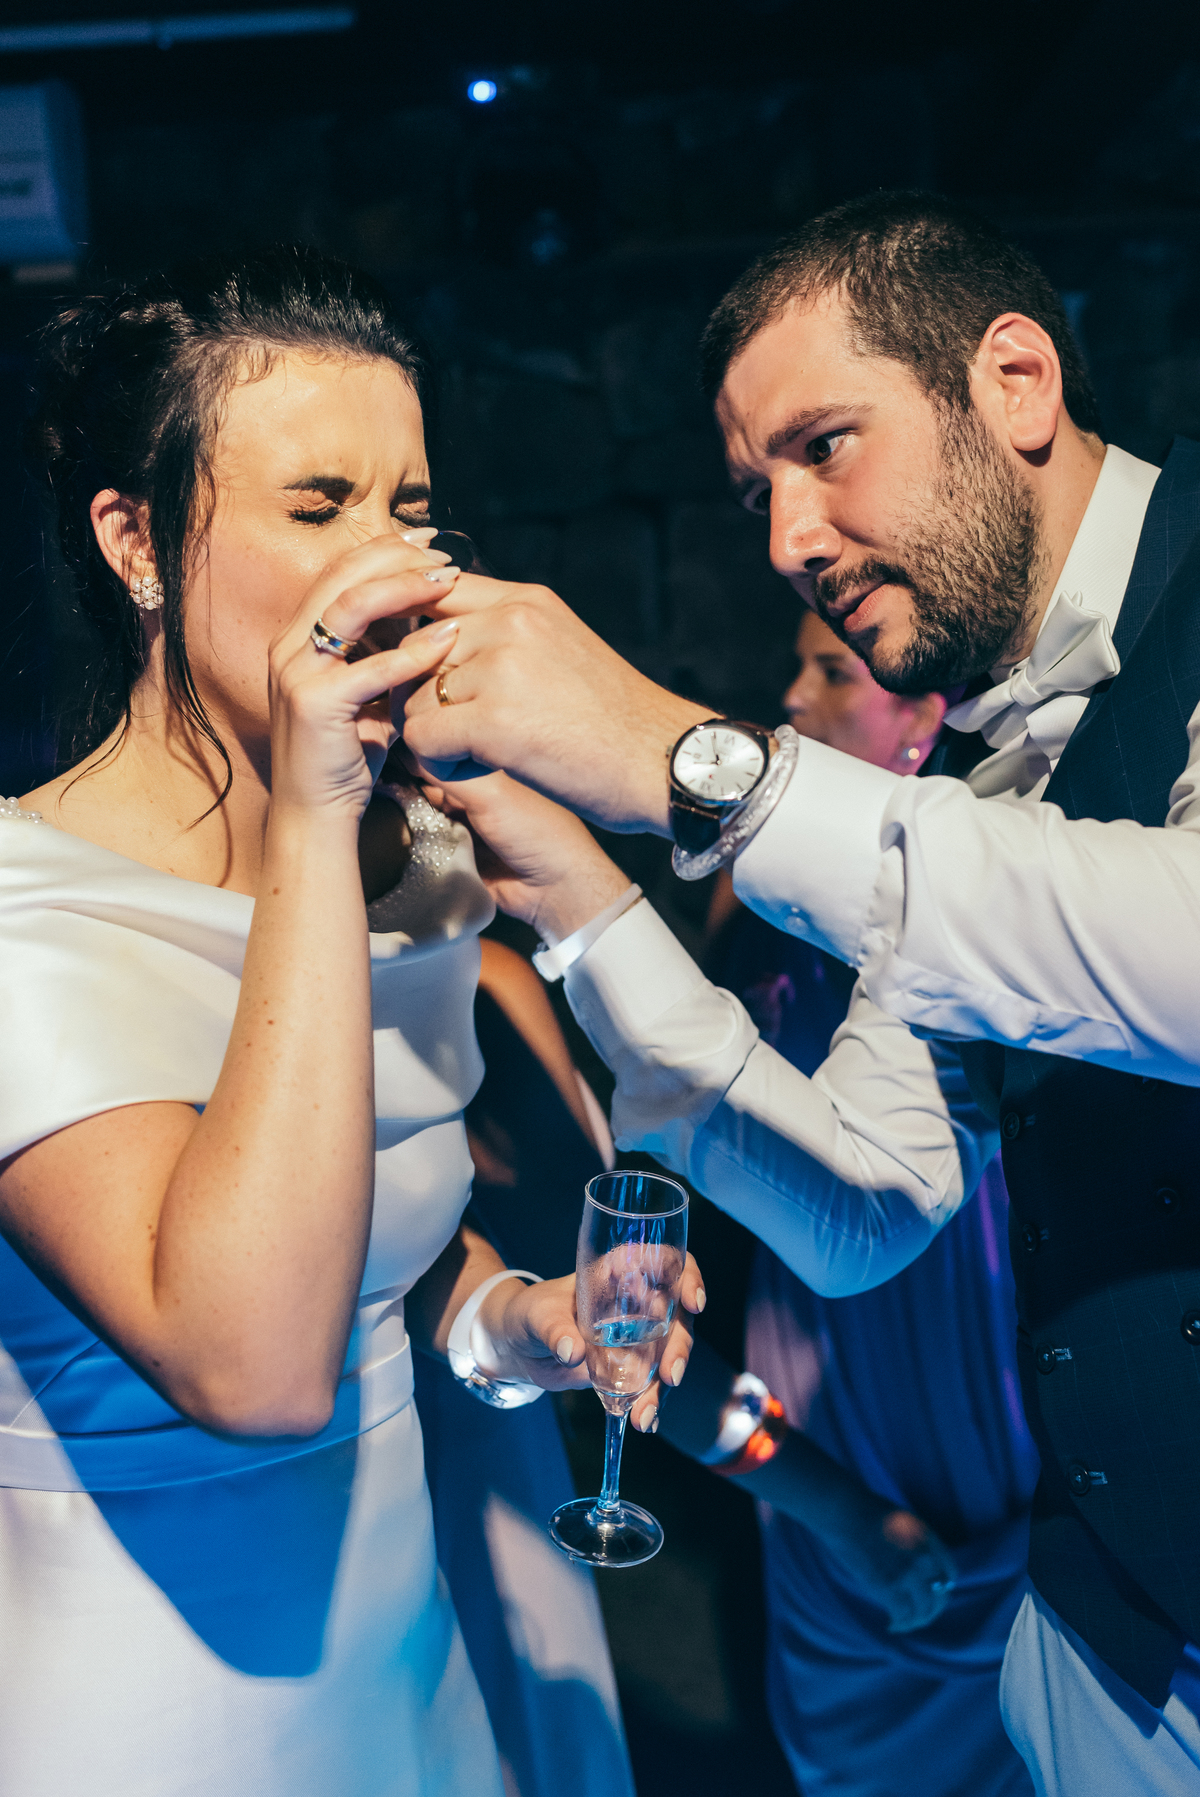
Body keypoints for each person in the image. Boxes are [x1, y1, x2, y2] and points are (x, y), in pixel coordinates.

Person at [397, 193, 1200, 1793]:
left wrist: (686, 765)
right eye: (759, 487)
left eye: (825, 445)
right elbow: (871, 1204)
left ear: (1017, 383)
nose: (788, 539)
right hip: (1107, 1639)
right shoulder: (975, 765)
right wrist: (581, 898)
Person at [0, 247, 698, 1796]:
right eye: (318, 507)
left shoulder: (424, 867)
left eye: (410, 509)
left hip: (409, 1673)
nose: (387, 564)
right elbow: (252, 1365)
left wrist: (524, 1327)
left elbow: (378, 1253)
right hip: (152, 1714)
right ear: (137, 543)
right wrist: (319, 815)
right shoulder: (21, 915)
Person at [659, 608, 1038, 1797]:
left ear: (926, 722)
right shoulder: (745, 905)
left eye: (833, 672)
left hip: (986, 1328)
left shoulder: (1000, 881)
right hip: (821, 1373)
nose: (793, 697)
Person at [413, 937, 634, 1797]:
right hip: (458, 1432)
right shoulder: (483, 981)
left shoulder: (492, 972)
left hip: (499, 1383)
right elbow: (575, 1263)